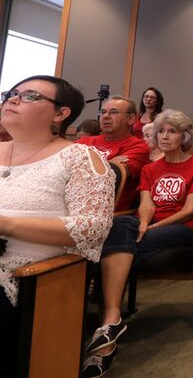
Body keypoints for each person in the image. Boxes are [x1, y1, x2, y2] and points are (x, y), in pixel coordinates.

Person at [0, 76, 114, 378]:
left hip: (31, 277)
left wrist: (6, 225)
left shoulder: (80, 158)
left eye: (29, 96)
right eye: (11, 93)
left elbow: (93, 227)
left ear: (60, 113)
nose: (12, 99)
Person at [82, 110, 193, 377]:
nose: (164, 136)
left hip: (183, 228)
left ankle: (102, 313)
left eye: (172, 131)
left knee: (115, 246)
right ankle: (108, 328)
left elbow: (190, 209)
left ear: (184, 136)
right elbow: (146, 204)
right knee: (124, 227)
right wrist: (142, 223)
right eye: (161, 131)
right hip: (149, 228)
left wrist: (152, 228)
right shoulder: (151, 169)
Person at [77, 96, 150, 211]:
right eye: (103, 112)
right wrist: (109, 163)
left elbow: (112, 175)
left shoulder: (139, 147)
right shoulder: (85, 141)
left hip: (103, 211)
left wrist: (82, 163)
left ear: (131, 119)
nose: (105, 116)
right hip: (71, 201)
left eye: (113, 112)